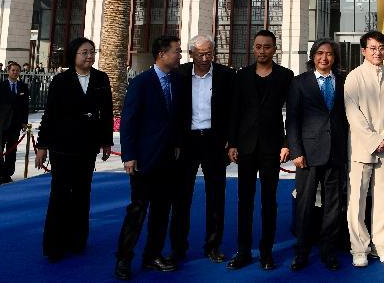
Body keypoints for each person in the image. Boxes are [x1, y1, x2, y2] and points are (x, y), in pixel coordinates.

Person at [35, 37, 113, 261]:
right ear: (73, 55)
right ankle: (54, 245)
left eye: (92, 52)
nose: (89, 56)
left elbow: (107, 112)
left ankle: (77, 239)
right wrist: (42, 145)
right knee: (60, 193)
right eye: (84, 52)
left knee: (82, 192)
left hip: (87, 146)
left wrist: (106, 141)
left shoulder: (101, 78)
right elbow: (50, 114)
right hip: (62, 146)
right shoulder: (61, 80)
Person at [114, 35, 185, 280]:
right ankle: (124, 259)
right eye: (177, 51)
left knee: (161, 211)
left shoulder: (177, 81)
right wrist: (129, 155)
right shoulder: (142, 82)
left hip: (168, 160)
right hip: (144, 160)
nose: (180, 55)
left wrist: (177, 143)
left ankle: (152, 255)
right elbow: (129, 121)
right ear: (162, 54)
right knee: (137, 211)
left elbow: (177, 117)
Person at [226, 29, 294, 270]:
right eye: (258, 46)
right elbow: (234, 111)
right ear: (253, 48)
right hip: (245, 146)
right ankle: (243, 251)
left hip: (272, 147)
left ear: (274, 49)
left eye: (266, 47)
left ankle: (266, 253)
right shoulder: (242, 75)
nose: (262, 51)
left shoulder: (285, 76)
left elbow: (292, 113)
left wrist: (287, 143)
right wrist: (232, 143)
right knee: (244, 201)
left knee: (268, 201)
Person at [169, 34, 235, 264]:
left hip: (214, 142)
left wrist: (231, 141)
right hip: (186, 142)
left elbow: (233, 111)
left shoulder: (226, 75)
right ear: (191, 54)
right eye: (200, 54)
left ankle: (213, 246)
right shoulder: (179, 75)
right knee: (181, 197)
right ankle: (178, 248)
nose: (205, 58)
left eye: (209, 54)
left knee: (216, 196)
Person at [287, 39, 349, 271]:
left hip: (336, 152)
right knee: (304, 204)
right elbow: (292, 120)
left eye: (329, 54)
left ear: (334, 57)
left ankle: (328, 250)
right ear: (313, 56)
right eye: (320, 53)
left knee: (333, 204)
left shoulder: (343, 81)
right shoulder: (299, 82)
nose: (324, 58)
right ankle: (301, 251)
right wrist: (296, 151)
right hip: (308, 154)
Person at [344, 30, 384, 267]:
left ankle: (383, 246)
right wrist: (373, 140)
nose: (377, 52)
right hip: (361, 148)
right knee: (357, 201)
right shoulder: (354, 77)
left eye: (381, 48)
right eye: (372, 48)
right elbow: (353, 114)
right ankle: (359, 249)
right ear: (363, 51)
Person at [0, 61, 30, 185]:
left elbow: (25, 106)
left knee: (12, 150)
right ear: (8, 71)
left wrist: (24, 122)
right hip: (1, 124)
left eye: (17, 70)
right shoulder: (0, 86)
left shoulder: (23, 87)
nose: (15, 72)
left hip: (15, 124)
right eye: (13, 70)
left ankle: (7, 174)